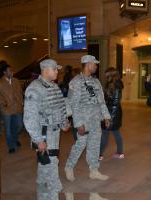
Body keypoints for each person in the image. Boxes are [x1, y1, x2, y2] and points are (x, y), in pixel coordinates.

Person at [23, 59, 70, 200]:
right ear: (45, 70)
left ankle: (42, 191)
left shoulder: (54, 86)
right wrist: (38, 140)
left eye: (57, 69)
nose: (57, 71)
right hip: (43, 133)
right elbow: (29, 118)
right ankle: (52, 194)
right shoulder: (34, 88)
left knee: (45, 163)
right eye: (55, 69)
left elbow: (59, 107)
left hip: (55, 132)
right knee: (51, 164)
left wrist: (64, 123)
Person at [65, 55, 111, 183]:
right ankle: (69, 167)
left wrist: (106, 116)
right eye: (94, 64)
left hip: (95, 120)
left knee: (94, 145)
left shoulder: (96, 82)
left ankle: (94, 170)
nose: (96, 66)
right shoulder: (76, 82)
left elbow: (101, 101)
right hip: (83, 121)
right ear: (88, 64)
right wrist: (78, 123)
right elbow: (72, 104)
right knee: (80, 144)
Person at [99, 67, 124, 160]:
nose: (105, 76)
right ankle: (120, 153)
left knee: (105, 134)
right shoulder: (114, 84)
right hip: (114, 113)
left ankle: (99, 155)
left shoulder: (115, 85)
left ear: (111, 75)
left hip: (112, 113)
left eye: (106, 75)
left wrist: (108, 118)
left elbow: (115, 102)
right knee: (116, 132)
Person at [0, 63, 23, 154]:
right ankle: (11, 146)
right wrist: (3, 102)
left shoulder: (16, 80)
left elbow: (20, 92)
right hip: (6, 109)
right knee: (8, 129)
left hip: (17, 108)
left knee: (19, 126)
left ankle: (15, 138)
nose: (12, 72)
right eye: (9, 71)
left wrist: (21, 102)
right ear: (4, 72)